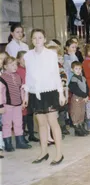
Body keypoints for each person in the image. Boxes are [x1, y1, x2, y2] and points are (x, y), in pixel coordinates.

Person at [23, 29, 65, 165]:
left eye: (40, 38)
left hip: (50, 91)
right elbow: (28, 76)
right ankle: (44, 152)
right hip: (36, 92)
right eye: (34, 38)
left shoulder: (50, 55)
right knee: (41, 124)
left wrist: (61, 92)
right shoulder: (28, 56)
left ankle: (59, 154)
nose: (37, 40)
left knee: (53, 123)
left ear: (44, 39)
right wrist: (26, 94)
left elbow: (55, 75)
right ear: (31, 40)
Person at [0, 56, 32, 152]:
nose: (15, 67)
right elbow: (0, 93)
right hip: (7, 105)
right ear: (5, 66)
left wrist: (23, 101)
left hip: (18, 104)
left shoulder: (18, 76)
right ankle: (8, 143)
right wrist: (0, 105)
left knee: (19, 123)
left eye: (15, 64)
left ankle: (20, 142)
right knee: (7, 124)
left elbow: (21, 90)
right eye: (12, 65)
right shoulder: (2, 78)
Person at [68, 61, 90, 137]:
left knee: (82, 112)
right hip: (77, 98)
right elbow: (75, 89)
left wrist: (87, 95)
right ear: (72, 70)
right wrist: (84, 95)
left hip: (83, 98)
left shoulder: (83, 78)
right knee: (76, 112)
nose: (78, 70)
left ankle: (81, 127)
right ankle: (77, 129)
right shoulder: (73, 79)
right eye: (76, 69)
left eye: (79, 69)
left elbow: (87, 87)